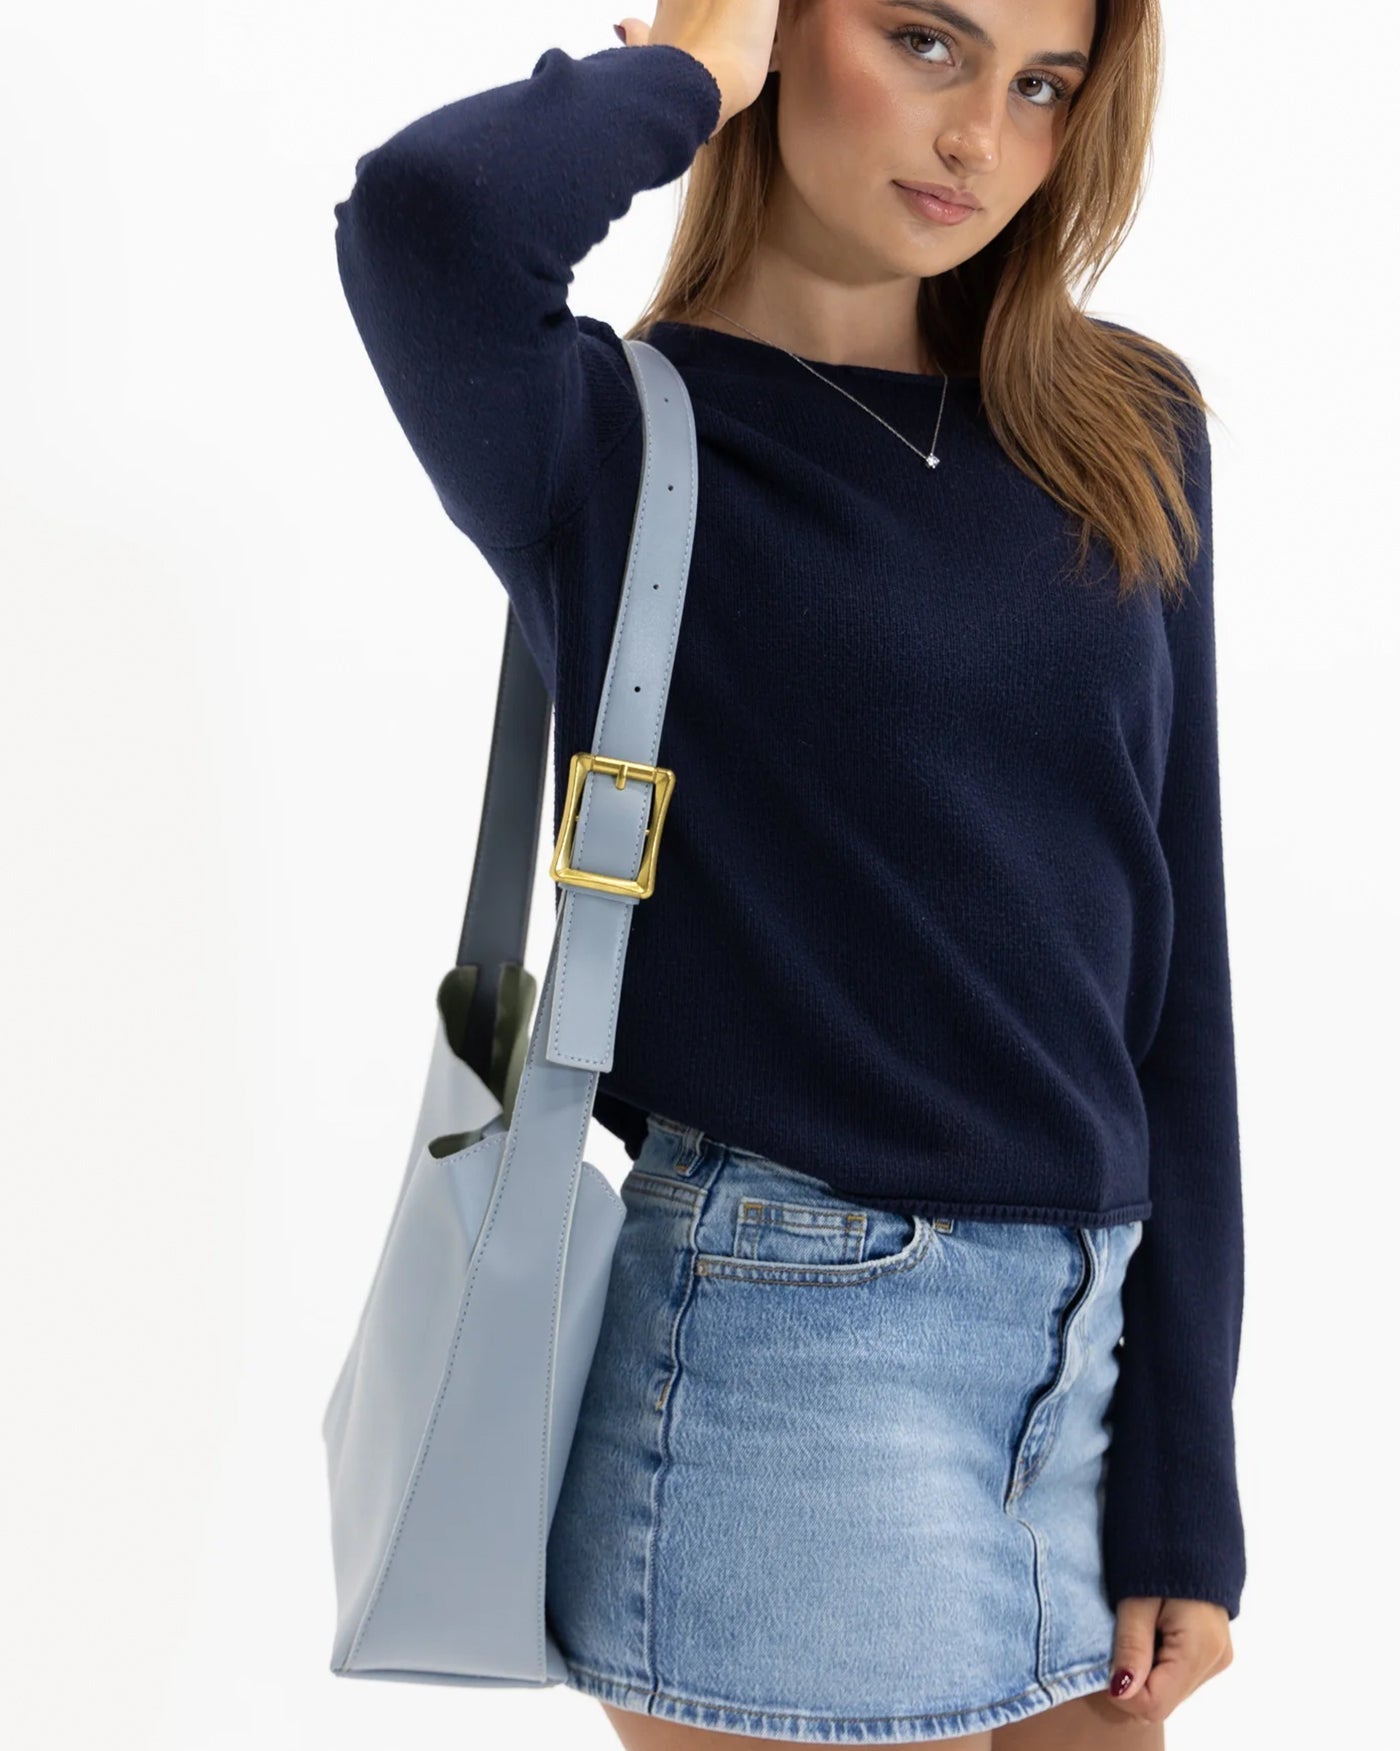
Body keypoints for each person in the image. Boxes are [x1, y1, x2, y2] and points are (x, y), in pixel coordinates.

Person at [331, 2, 1244, 1744]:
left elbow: (1174, 971)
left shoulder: (1124, 425)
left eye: (1042, 86)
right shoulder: (605, 437)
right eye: (925, 42)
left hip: (1086, 1377)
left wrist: (1185, 1481)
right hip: (782, 1363)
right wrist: (696, 62)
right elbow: (427, 216)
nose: (980, 135)